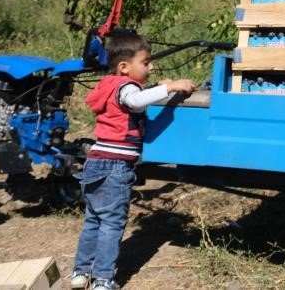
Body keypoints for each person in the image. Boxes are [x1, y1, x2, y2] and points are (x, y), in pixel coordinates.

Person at [71, 31, 196, 290]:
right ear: (124, 67)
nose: (151, 67)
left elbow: (132, 100)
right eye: (146, 62)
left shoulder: (109, 84)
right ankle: (103, 279)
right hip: (115, 166)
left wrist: (158, 87)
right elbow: (135, 100)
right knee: (112, 224)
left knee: (94, 220)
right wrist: (170, 87)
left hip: (96, 161)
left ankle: (80, 272)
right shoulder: (127, 88)